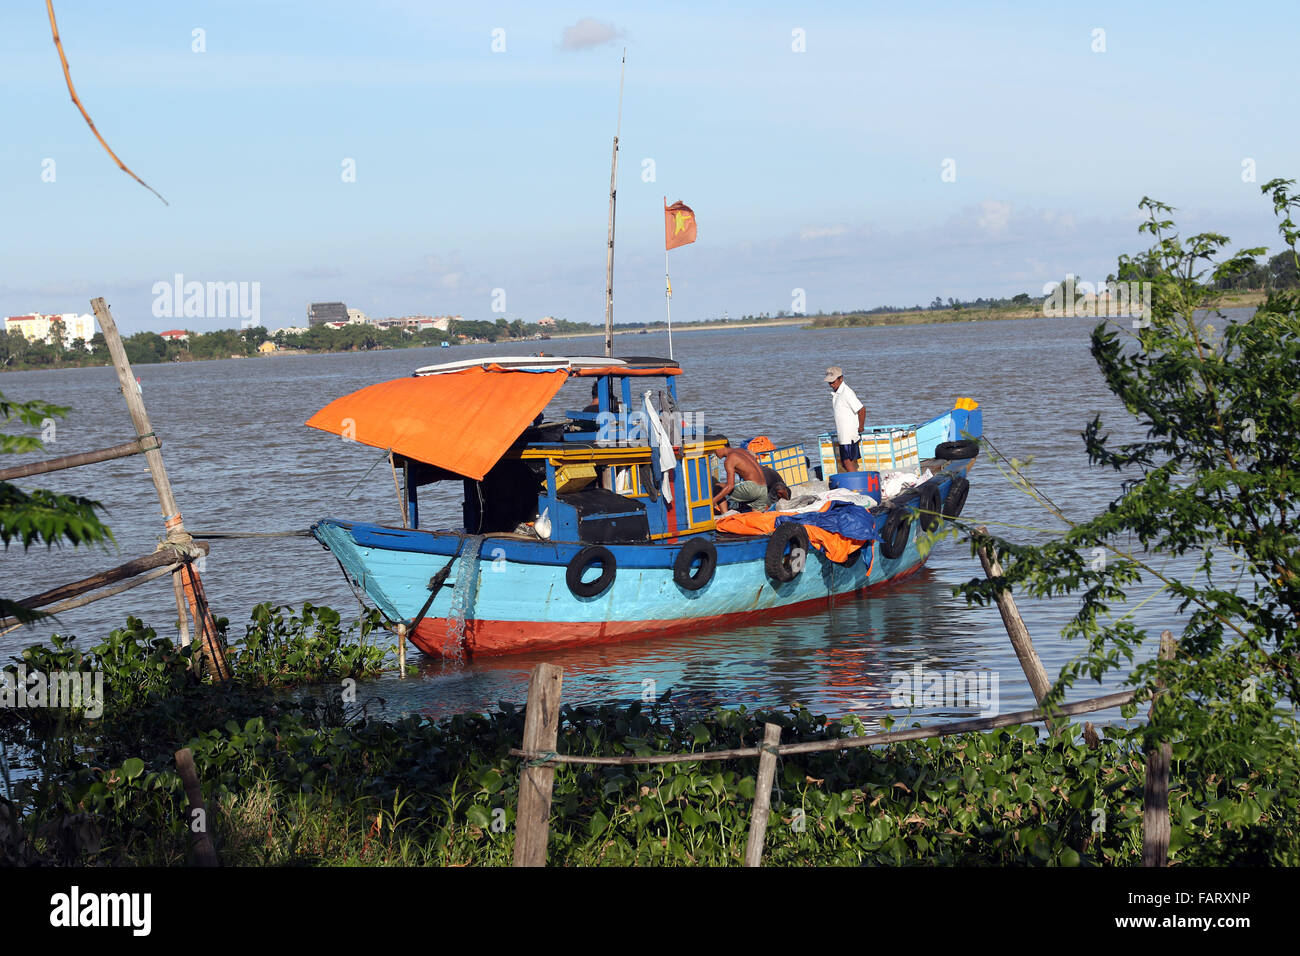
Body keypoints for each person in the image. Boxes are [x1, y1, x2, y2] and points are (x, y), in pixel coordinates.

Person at [825, 366, 866, 472]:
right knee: (847, 461)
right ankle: (855, 481)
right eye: (829, 382)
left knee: (847, 461)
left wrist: (861, 426)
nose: (831, 385)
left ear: (841, 378)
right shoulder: (837, 393)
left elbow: (861, 409)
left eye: (833, 382)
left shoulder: (846, 393)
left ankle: (855, 485)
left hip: (849, 435)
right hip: (843, 435)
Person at [711, 443, 771, 513]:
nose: (714, 453)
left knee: (718, 487)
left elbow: (730, 486)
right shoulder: (742, 451)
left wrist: (713, 501)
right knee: (756, 518)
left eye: (714, 450)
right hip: (764, 488)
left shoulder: (730, 459)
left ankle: (726, 515)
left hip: (752, 488)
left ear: (721, 447)